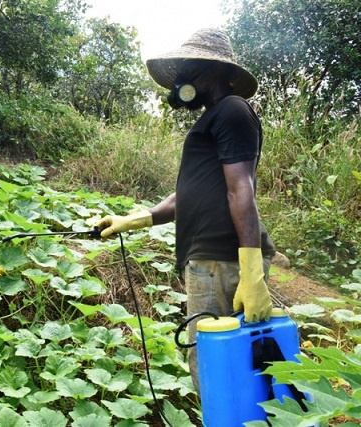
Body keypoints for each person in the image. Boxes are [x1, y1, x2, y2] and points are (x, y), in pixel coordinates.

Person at [95, 28, 276, 392]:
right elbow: (187, 197)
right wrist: (133, 220)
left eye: (191, 68)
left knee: (214, 369)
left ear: (214, 70)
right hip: (210, 262)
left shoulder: (232, 109)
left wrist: (251, 272)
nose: (182, 80)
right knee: (222, 364)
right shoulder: (215, 117)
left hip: (220, 262)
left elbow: (241, 188)